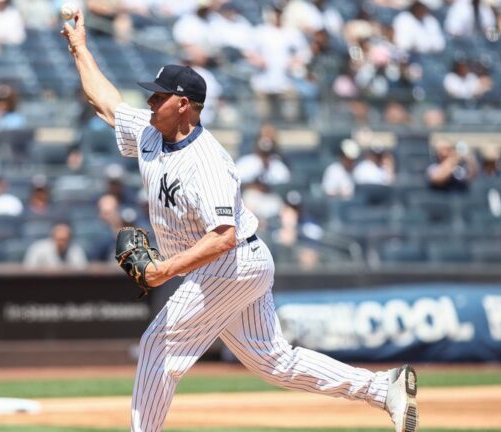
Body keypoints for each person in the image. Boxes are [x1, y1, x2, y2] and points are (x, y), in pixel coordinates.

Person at [61, 10, 418, 432]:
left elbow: (223, 237)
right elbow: (105, 103)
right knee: (274, 362)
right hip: (231, 264)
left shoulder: (208, 162)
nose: (151, 102)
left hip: (231, 262)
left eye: (159, 97)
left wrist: (164, 270)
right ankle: (382, 388)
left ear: (184, 105)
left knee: (158, 345)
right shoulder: (149, 133)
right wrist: (80, 49)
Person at [22, 222, 87, 269]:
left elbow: (82, 271)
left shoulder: (76, 250)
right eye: (59, 239)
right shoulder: (38, 248)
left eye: (65, 240)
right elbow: (28, 269)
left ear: (70, 239)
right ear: (52, 237)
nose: (62, 243)